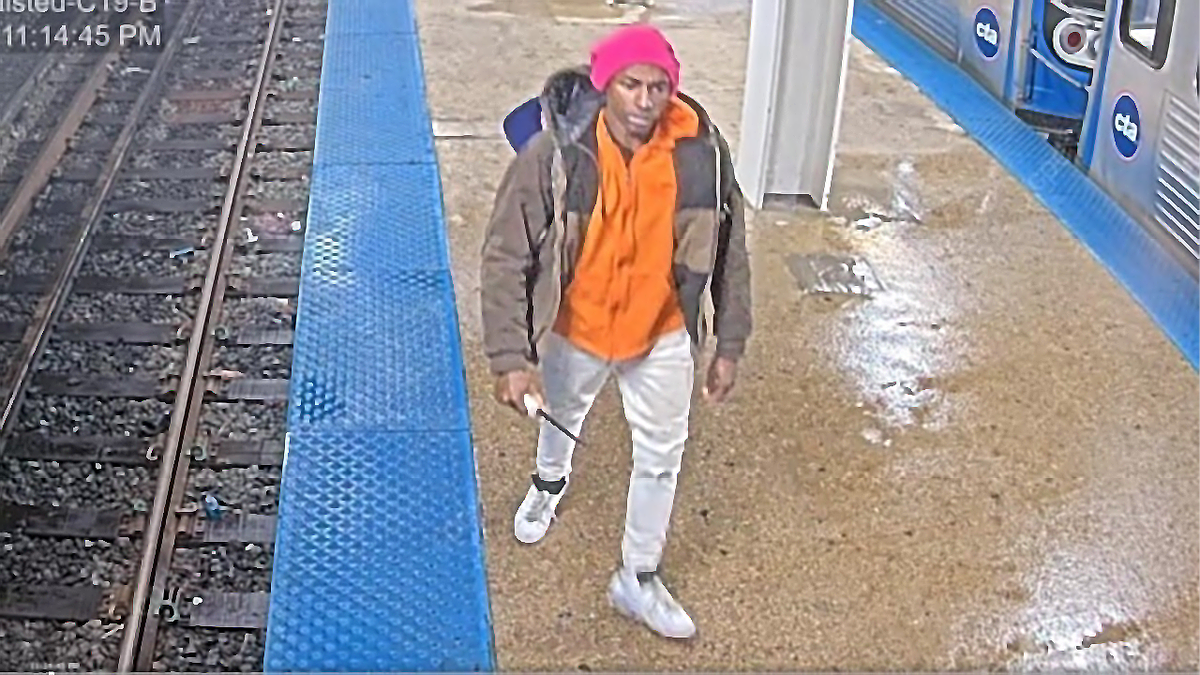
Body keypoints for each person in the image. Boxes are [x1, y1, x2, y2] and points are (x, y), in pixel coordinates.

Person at [479, 23, 752, 640]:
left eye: (660, 86)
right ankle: (548, 484)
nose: (646, 100)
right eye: (631, 84)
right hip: (577, 327)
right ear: (605, 87)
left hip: (661, 332)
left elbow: (731, 250)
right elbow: (505, 255)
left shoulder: (701, 152)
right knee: (561, 415)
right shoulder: (555, 152)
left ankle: (639, 576)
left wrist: (727, 342)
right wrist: (510, 357)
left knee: (663, 457)